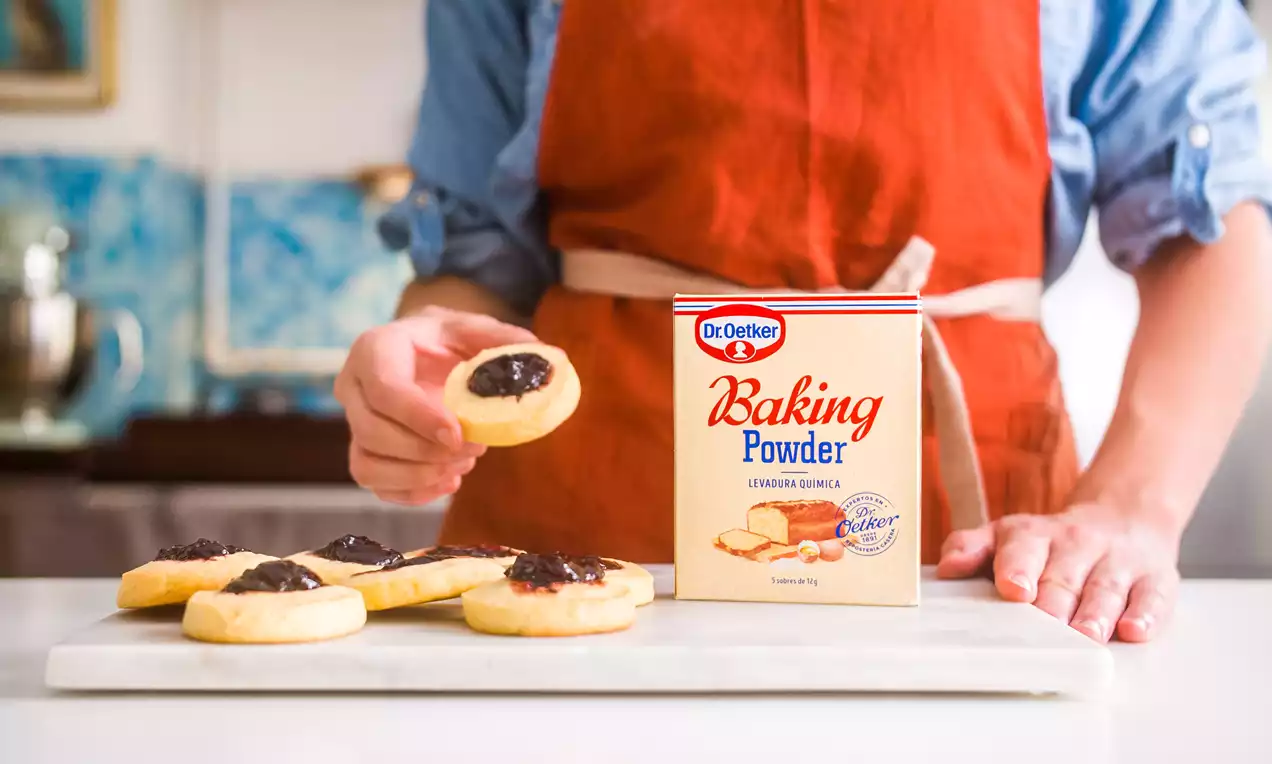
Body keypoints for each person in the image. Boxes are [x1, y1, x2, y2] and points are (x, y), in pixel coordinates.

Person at [337, 0, 1272, 643]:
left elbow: (1212, 221)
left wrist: (1129, 510)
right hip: (582, 547)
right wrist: (428, 358)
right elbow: (477, 267)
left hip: (965, 561)